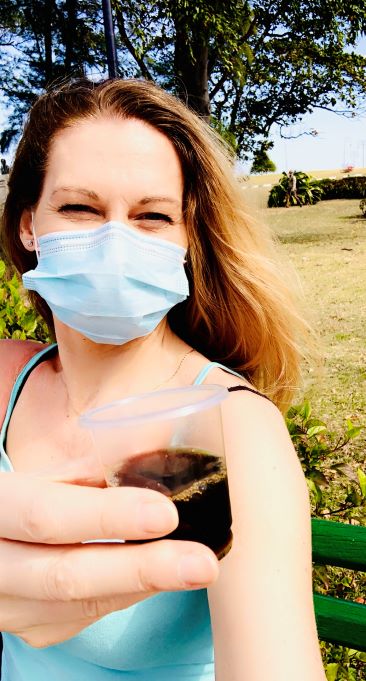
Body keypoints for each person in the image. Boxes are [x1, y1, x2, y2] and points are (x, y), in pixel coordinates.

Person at [0, 78, 327, 681]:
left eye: (152, 216)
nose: (116, 241)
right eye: (79, 207)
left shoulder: (229, 424)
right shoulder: (4, 378)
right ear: (28, 226)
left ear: (185, 241)